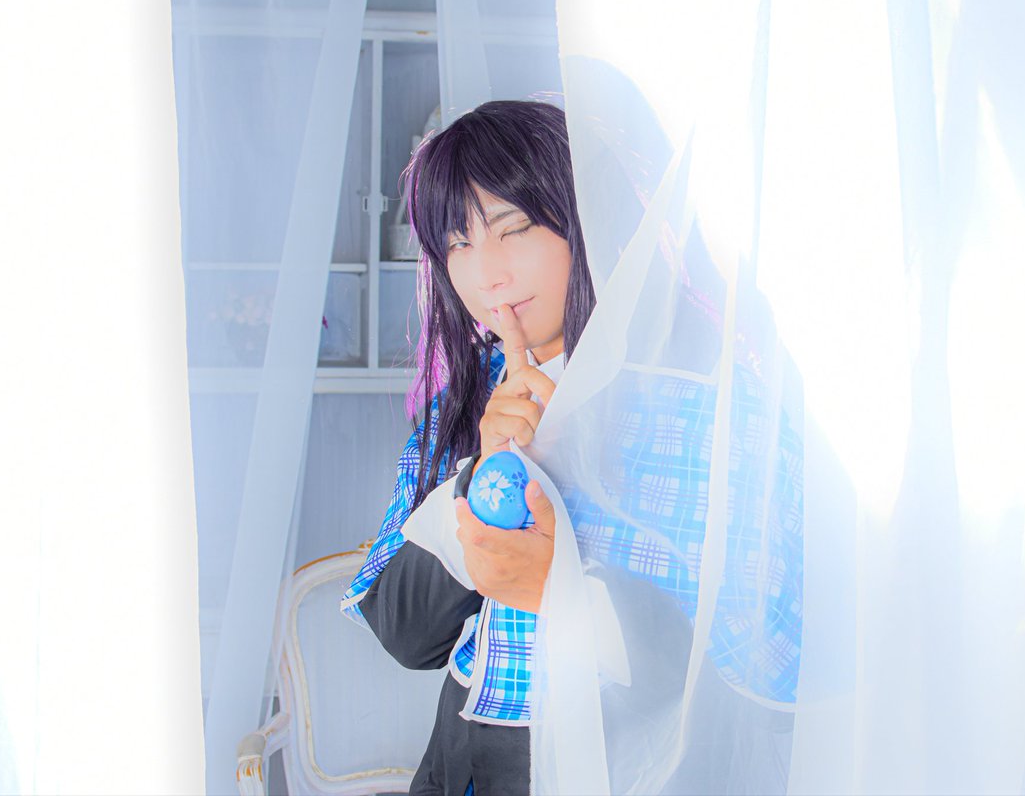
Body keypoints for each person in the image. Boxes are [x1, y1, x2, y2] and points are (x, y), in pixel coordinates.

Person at [341, 99, 805, 795]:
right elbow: (404, 632)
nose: (486, 274)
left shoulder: (708, 403)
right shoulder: (464, 406)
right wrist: (483, 475)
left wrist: (567, 590)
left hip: (644, 774)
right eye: (458, 243)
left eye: (514, 228)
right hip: (467, 764)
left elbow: (772, 681)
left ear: (590, 219)